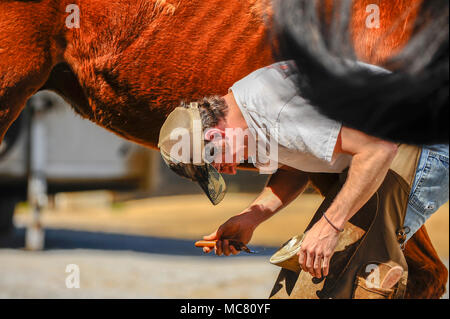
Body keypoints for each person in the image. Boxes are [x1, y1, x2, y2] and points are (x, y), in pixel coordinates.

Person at [158, 61, 449, 280]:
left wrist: (329, 226)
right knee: (313, 269)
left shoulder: (274, 110)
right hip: (397, 144)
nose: (228, 171)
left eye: (215, 165)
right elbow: (298, 165)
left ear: (213, 138)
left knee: (347, 277)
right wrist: (251, 218)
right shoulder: (245, 114)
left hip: (424, 144)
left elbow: (379, 149)